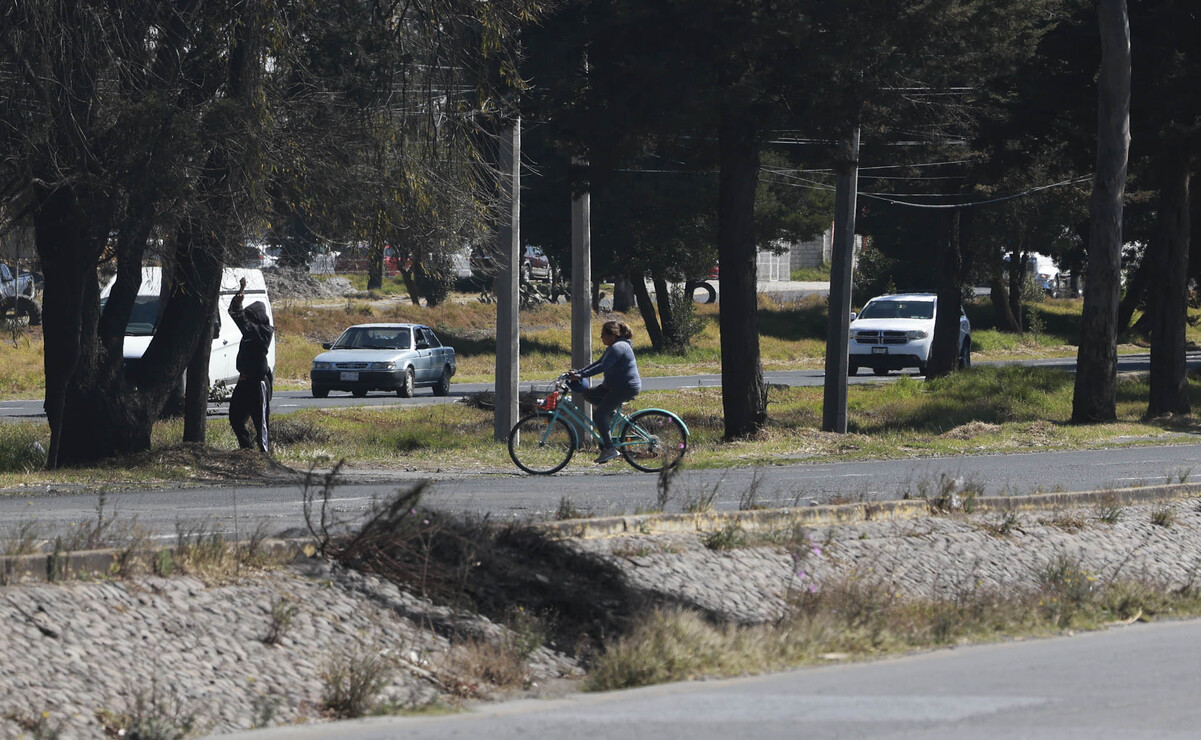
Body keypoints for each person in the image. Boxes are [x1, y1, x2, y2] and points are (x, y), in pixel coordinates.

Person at [568, 320, 642, 464]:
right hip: (613, 386)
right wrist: (579, 372)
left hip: (624, 387)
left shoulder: (619, 347)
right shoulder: (613, 347)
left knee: (599, 415)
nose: (601, 338)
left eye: (603, 335)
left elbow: (603, 367)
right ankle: (611, 413)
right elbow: (597, 363)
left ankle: (609, 449)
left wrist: (581, 376)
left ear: (612, 335)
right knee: (588, 393)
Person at [228, 277, 274, 453]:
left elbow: (242, 322)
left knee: (261, 422)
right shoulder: (251, 331)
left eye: (250, 317)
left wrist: (238, 308)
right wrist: (237, 299)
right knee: (235, 417)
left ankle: (265, 456)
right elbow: (236, 316)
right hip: (244, 381)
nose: (247, 320)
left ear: (257, 318)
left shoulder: (262, 333)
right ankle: (247, 449)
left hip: (258, 383)